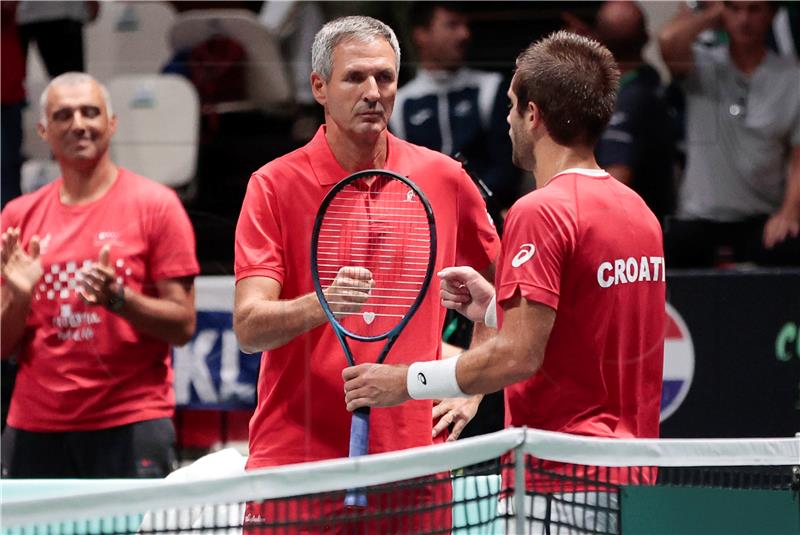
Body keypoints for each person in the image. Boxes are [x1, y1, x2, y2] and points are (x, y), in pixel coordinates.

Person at [344, 31, 666, 534]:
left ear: (534, 115)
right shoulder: (639, 213)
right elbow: (589, 328)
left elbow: (519, 356)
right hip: (632, 478)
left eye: (514, 106)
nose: (507, 119)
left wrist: (404, 382)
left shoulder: (540, 211)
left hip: (558, 481)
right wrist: (496, 309)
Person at [233, 16, 499, 531]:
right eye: (355, 78)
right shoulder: (272, 185)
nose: (373, 92)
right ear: (319, 87)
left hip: (414, 462)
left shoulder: (443, 178)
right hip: (297, 466)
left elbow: (501, 286)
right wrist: (321, 302)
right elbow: (248, 327)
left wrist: (472, 383)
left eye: (386, 78)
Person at [0, 72, 199, 478]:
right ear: (43, 130)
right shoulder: (18, 217)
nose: (79, 124)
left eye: (90, 112)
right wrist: (18, 297)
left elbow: (182, 325)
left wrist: (118, 299)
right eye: (64, 115)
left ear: (111, 123)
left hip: (130, 420)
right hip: (36, 425)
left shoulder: (156, 205)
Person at [659, 1, 800, 267]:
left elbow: (798, 155)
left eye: (754, 9)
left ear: (770, 14)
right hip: (699, 218)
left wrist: (789, 211)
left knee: (788, 246)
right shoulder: (702, 64)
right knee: (668, 247)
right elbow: (668, 40)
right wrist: (713, 15)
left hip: (759, 216)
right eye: (735, 8)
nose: (744, 19)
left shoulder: (791, 77)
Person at [390, 2, 521, 212]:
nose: (464, 34)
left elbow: (508, 167)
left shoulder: (490, 88)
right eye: (452, 25)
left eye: (465, 25)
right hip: (423, 223)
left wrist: (465, 203)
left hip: (484, 217)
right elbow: (395, 174)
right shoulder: (399, 102)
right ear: (421, 34)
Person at [592, 0, 677, 223]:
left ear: (597, 41)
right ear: (646, 38)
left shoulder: (630, 100)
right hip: (654, 219)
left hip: (626, 225)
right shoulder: (652, 82)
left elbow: (616, 178)